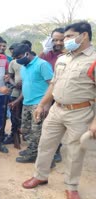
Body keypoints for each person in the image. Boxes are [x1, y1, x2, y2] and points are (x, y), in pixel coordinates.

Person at [22, 21, 96, 199]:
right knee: (45, 144)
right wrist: (42, 105)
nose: (65, 41)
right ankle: (40, 176)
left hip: (80, 112)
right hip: (56, 110)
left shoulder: (94, 59)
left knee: (74, 151)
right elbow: (53, 84)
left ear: (84, 35)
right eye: (65, 38)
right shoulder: (63, 58)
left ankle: (71, 187)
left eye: (70, 37)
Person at [12, 43, 54, 163]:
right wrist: (18, 101)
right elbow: (26, 86)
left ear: (27, 53)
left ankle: (35, 155)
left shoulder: (42, 65)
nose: (17, 60)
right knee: (26, 129)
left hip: (39, 103)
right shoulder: (24, 67)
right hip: (27, 102)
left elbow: (52, 84)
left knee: (37, 131)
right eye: (15, 58)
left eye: (19, 57)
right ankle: (32, 149)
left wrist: (46, 104)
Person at [39, 27, 65, 163]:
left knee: (60, 125)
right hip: (48, 93)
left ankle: (57, 150)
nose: (58, 43)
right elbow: (35, 63)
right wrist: (43, 51)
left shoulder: (70, 54)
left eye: (61, 39)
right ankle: (48, 151)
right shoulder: (47, 54)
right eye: (55, 40)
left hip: (63, 95)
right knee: (48, 124)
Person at [4, 43, 23, 145]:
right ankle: (13, 134)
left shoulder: (30, 62)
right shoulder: (13, 63)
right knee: (14, 116)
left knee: (24, 116)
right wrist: (15, 84)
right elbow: (9, 77)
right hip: (16, 93)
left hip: (28, 93)